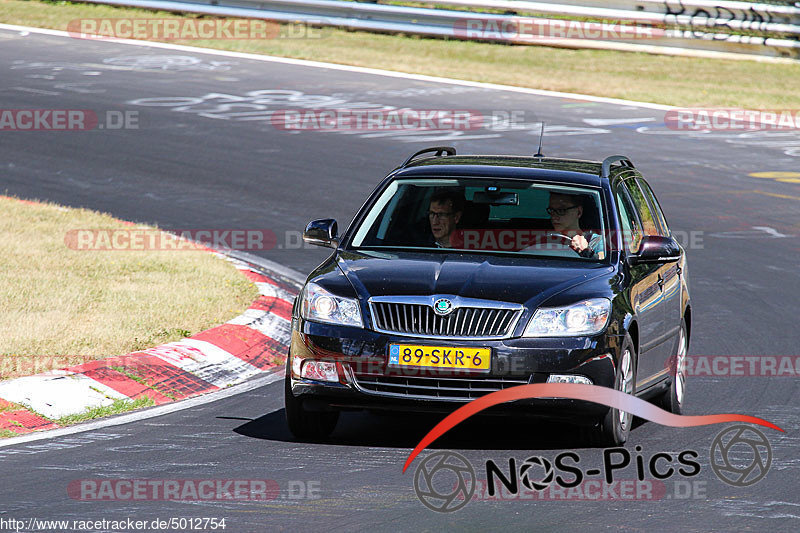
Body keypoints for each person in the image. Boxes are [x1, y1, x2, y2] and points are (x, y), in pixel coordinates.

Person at [546, 191, 604, 258]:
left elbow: (604, 262)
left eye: (561, 210)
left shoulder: (596, 242)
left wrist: (586, 251)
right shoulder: (543, 241)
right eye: (552, 210)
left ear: (579, 212)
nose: (554, 217)